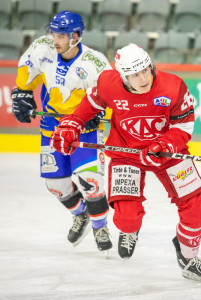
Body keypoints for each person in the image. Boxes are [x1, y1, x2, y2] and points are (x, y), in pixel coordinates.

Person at [50, 43, 201, 282]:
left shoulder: (173, 86)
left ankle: (188, 258)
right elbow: (88, 107)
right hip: (126, 153)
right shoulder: (108, 84)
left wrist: (165, 145)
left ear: (151, 65)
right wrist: (72, 124)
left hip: (168, 153)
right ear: (123, 76)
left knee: (196, 211)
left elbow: (183, 126)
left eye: (146, 70)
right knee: (126, 221)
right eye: (134, 74)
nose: (143, 78)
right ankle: (131, 230)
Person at [11, 11, 113, 253]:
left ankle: (100, 227)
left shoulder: (95, 62)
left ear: (75, 36)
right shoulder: (42, 48)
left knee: (91, 181)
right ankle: (81, 215)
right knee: (56, 185)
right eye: (54, 33)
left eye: (61, 35)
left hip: (83, 129)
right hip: (52, 128)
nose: (55, 40)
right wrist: (22, 92)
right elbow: (27, 71)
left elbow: (110, 94)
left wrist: (96, 112)